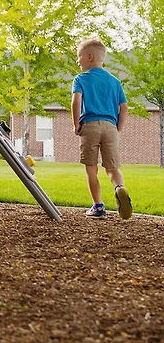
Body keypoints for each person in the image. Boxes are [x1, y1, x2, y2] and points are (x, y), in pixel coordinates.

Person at [71, 37, 132, 219]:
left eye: (79, 56)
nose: (77, 61)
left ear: (90, 57)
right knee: (112, 168)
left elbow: (76, 101)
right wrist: (118, 128)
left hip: (90, 125)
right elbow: (124, 107)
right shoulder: (115, 82)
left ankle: (98, 207)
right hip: (110, 127)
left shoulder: (80, 78)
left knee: (91, 168)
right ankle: (120, 187)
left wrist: (76, 124)